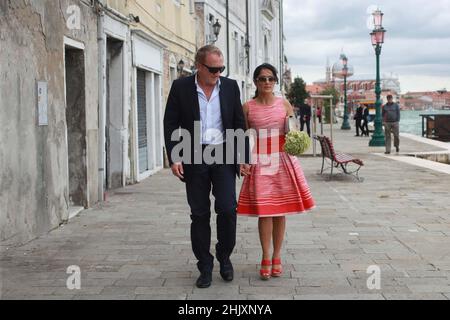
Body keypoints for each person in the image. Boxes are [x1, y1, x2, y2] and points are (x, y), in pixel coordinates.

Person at [163, 45, 250, 289]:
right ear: (199, 67)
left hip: (223, 153)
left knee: (227, 208)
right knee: (199, 213)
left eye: (221, 68)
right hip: (194, 153)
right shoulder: (181, 87)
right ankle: (205, 265)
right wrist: (175, 156)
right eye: (213, 69)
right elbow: (170, 122)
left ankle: (224, 256)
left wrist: (243, 156)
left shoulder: (231, 87)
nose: (218, 73)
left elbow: (238, 123)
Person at [236, 63, 315, 280]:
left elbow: (293, 133)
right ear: (256, 82)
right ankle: (265, 256)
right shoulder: (247, 107)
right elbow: (245, 138)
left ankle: (277, 256)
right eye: (262, 79)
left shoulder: (285, 104)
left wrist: (297, 140)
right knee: (265, 211)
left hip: (282, 161)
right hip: (260, 162)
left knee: (280, 211)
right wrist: (243, 160)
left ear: (275, 81)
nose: (267, 82)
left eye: (271, 79)